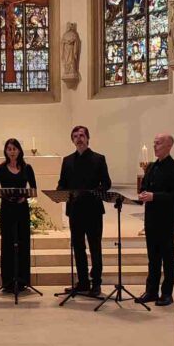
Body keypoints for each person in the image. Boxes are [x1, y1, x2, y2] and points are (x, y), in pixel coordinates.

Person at [57, 126, 112, 296]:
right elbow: (62, 183)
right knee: (78, 247)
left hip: (93, 210)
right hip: (75, 210)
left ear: (88, 138)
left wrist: (95, 191)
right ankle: (82, 282)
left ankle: (96, 283)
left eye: (82, 135)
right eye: (75, 136)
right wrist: (59, 192)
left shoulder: (98, 159)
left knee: (95, 247)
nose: (79, 138)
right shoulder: (67, 161)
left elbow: (107, 183)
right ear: (72, 140)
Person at [136, 134, 174, 307]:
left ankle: (166, 293)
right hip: (150, 219)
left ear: (169, 146)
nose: (155, 146)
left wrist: (154, 196)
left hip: (166, 219)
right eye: (154, 143)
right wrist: (142, 194)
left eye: (158, 143)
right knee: (153, 257)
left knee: (167, 257)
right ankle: (151, 291)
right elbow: (144, 187)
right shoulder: (150, 167)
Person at [0, 138, 37, 291]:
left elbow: (34, 189)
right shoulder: (0, 168)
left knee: (23, 242)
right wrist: (4, 195)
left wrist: (25, 197)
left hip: (22, 209)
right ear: (6, 151)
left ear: (19, 150)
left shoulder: (27, 168)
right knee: (7, 243)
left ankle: (23, 280)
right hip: (7, 209)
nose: (12, 151)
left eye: (14, 148)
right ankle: (8, 282)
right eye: (9, 149)